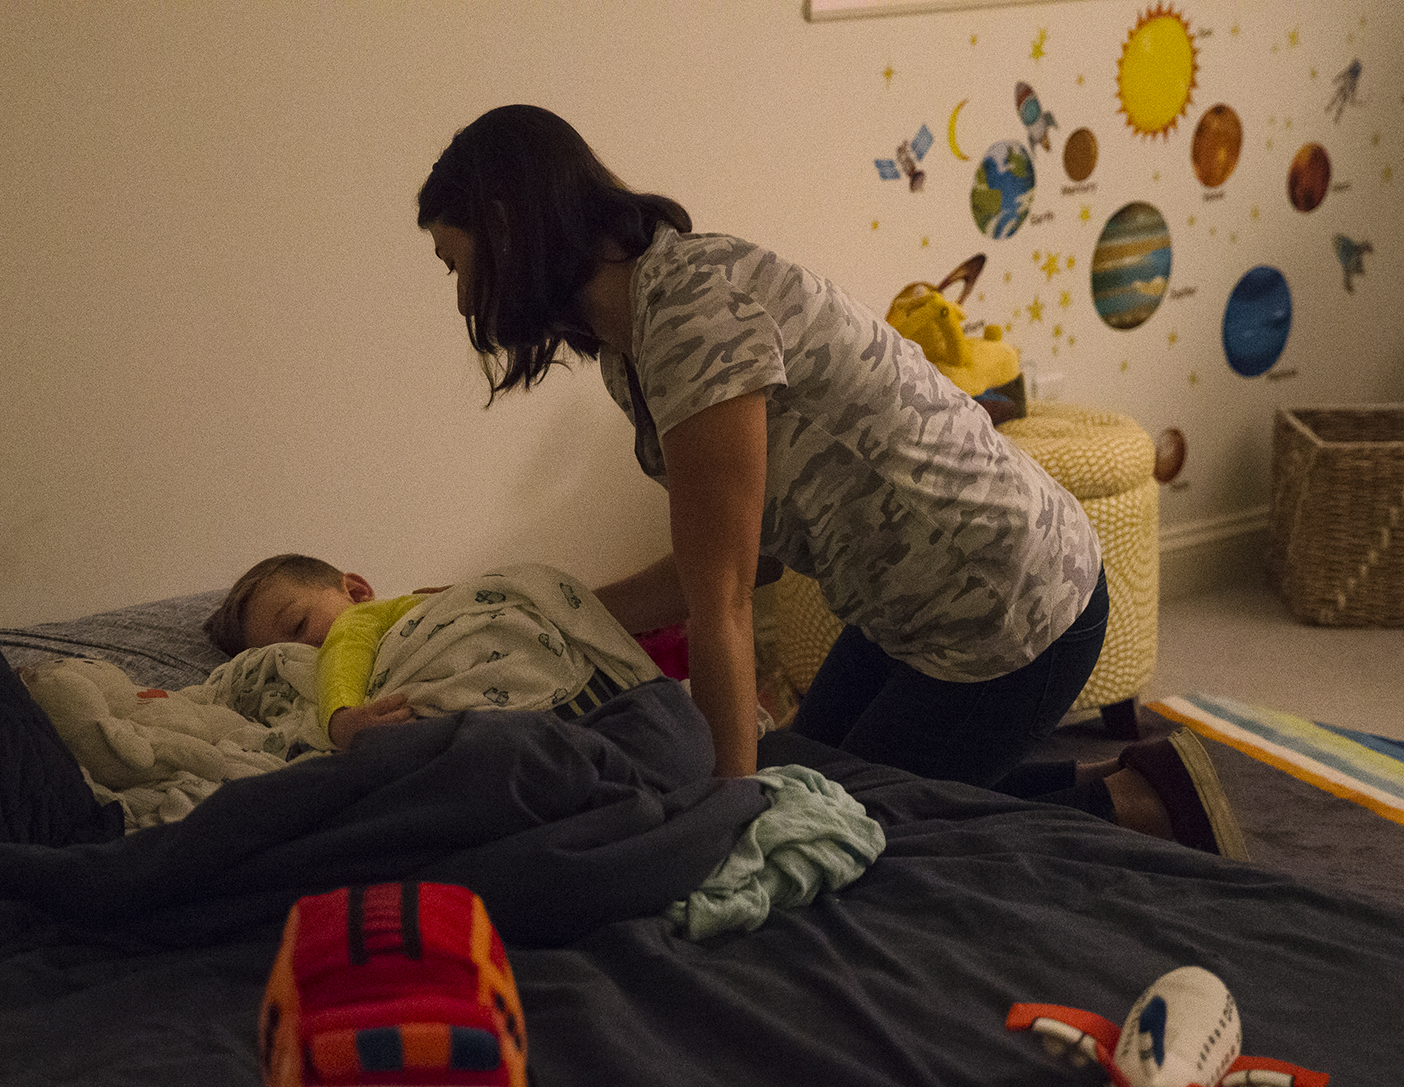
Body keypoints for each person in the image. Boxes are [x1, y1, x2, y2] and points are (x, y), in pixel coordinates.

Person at [413, 104, 1242, 857]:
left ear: (508, 228)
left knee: (834, 833)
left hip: (1009, 598)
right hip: (911, 609)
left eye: (457, 263)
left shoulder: (692, 312)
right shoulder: (633, 346)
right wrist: (547, 614)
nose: (460, 301)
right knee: (793, 774)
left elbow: (725, 599)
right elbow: (746, 555)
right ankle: (1143, 787)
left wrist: (727, 836)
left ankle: (1135, 814)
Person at [202, 554, 422, 751]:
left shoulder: (366, 618)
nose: (303, 651)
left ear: (356, 592)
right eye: (285, 657)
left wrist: (339, 722)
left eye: (298, 624)